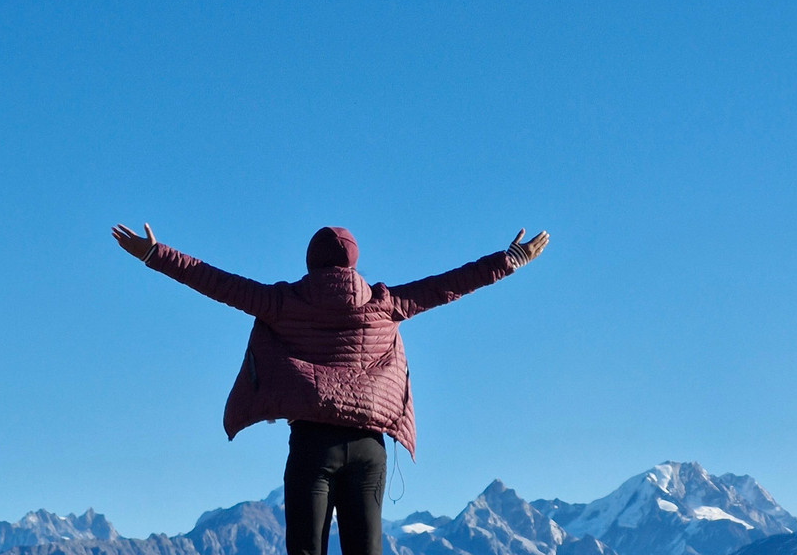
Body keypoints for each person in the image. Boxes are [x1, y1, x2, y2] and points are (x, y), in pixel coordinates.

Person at [112, 222, 548, 555]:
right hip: (368, 448)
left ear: (310, 262)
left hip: (312, 446)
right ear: (353, 262)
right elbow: (449, 285)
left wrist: (154, 254)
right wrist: (509, 260)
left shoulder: (282, 302)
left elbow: (215, 282)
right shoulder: (387, 303)